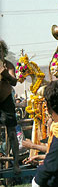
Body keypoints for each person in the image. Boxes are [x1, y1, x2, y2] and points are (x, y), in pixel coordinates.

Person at [0, 40, 21, 174]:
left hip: (6, 101)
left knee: (12, 133)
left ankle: (16, 164)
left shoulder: (8, 65)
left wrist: (5, 73)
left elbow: (14, 81)